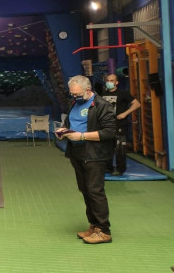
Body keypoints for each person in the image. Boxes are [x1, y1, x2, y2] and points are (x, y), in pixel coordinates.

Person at [59, 75, 116, 245]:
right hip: (77, 153)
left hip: (94, 155)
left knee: (95, 191)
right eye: (72, 94)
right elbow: (74, 123)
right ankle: (93, 226)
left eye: (77, 94)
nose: (74, 97)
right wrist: (65, 131)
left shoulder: (101, 105)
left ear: (88, 90)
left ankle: (104, 230)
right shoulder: (76, 103)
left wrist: (82, 136)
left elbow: (109, 132)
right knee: (85, 190)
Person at [100, 73, 140, 176]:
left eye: (112, 80)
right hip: (106, 126)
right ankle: (108, 168)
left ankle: (120, 169)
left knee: (120, 149)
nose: (109, 82)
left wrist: (125, 113)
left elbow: (137, 104)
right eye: (108, 80)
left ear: (116, 82)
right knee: (106, 148)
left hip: (120, 125)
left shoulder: (123, 93)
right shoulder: (103, 94)